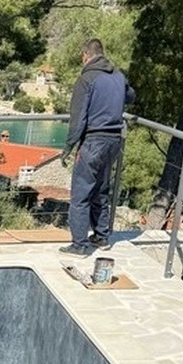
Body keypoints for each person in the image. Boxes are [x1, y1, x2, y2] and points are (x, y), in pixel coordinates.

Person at [59, 38, 136, 255]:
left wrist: (69, 147)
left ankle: (80, 245)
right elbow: (131, 96)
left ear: (86, 54)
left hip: (93, 141)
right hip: (114, 141)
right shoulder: (118, 76)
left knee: (80, 194)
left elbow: (78, 118)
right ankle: (102, 237)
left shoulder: (86, 79)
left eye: (82, 56)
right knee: (101, 190)